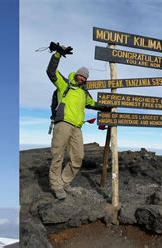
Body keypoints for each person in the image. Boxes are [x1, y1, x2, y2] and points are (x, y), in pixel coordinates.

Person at [46, 42, 109, 199]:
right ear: (76, 74)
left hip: (77, 127)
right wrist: (58, 54)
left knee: (78, 157)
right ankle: (56, 186)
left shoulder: (84, 93)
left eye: (85, 77)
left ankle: (64, 182)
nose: (82, 78)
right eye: (80, 75)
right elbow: (51, 72)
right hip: (63, 123)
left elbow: (93, 104)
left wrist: (106, 107)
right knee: (57, 156)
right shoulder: (64, 84)